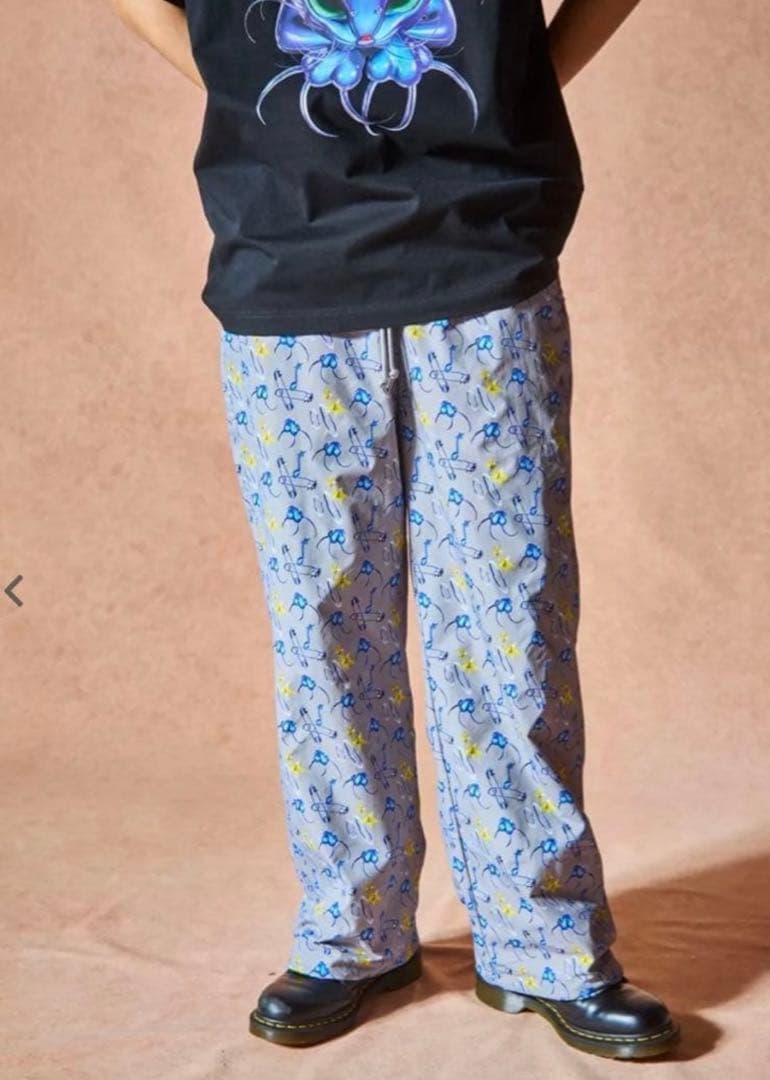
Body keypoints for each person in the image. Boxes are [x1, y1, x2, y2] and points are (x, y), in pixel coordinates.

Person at [109, 0, 681, 1060]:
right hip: (286, 264)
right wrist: (230, 78)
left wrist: (524, 80)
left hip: (485, 251)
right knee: (324, 630)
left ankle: (542, 940)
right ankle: (353, 931)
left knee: (511, 623)